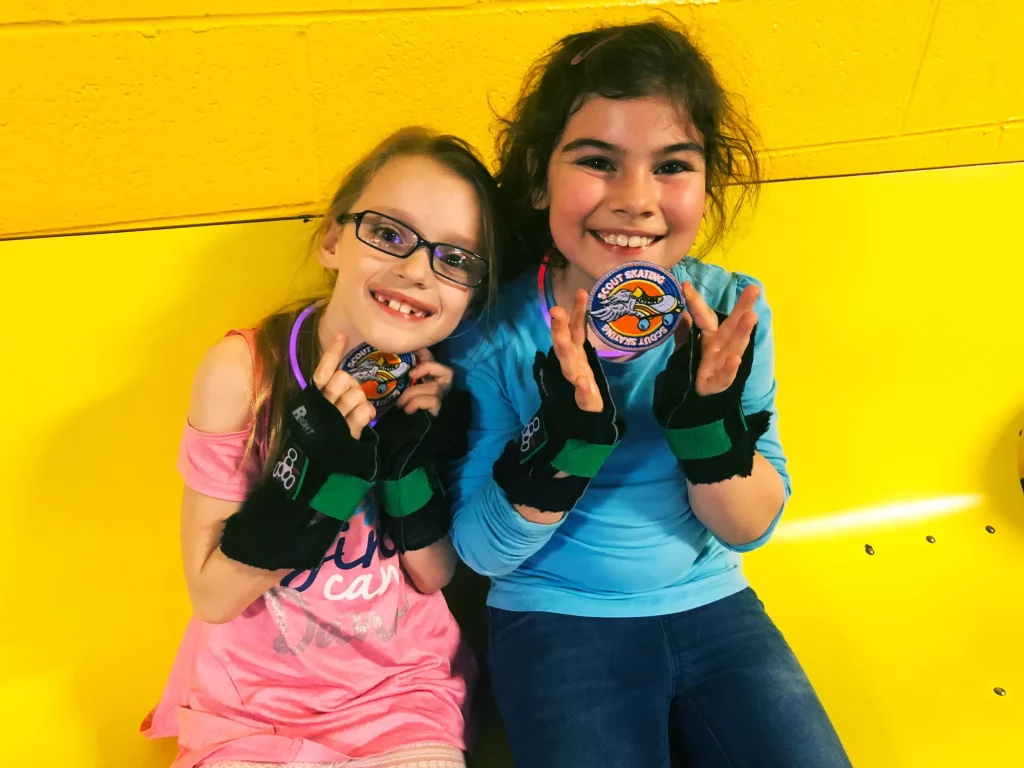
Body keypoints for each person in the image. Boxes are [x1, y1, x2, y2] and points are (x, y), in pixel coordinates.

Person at [443, 19, 852, 768]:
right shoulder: (495, 332)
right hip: (555, 615)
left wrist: (709, 431)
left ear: (706, 185)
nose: (636, 200)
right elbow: (479, 551)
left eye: (671, 165)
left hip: (712, 602)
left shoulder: (731, 312)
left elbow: (749, 528)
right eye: (598, 161)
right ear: (539, 176)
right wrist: (557, 444)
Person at [142, 126, 500, 768]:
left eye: (455, 258)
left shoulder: (433, 387)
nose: (417, 269)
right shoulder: (243, 371)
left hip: (402, 698)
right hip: (248, 711)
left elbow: (434, 573)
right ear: (334, 240)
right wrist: (316, 480)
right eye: (390, 234)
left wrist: (406, 459)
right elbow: (213, 597)